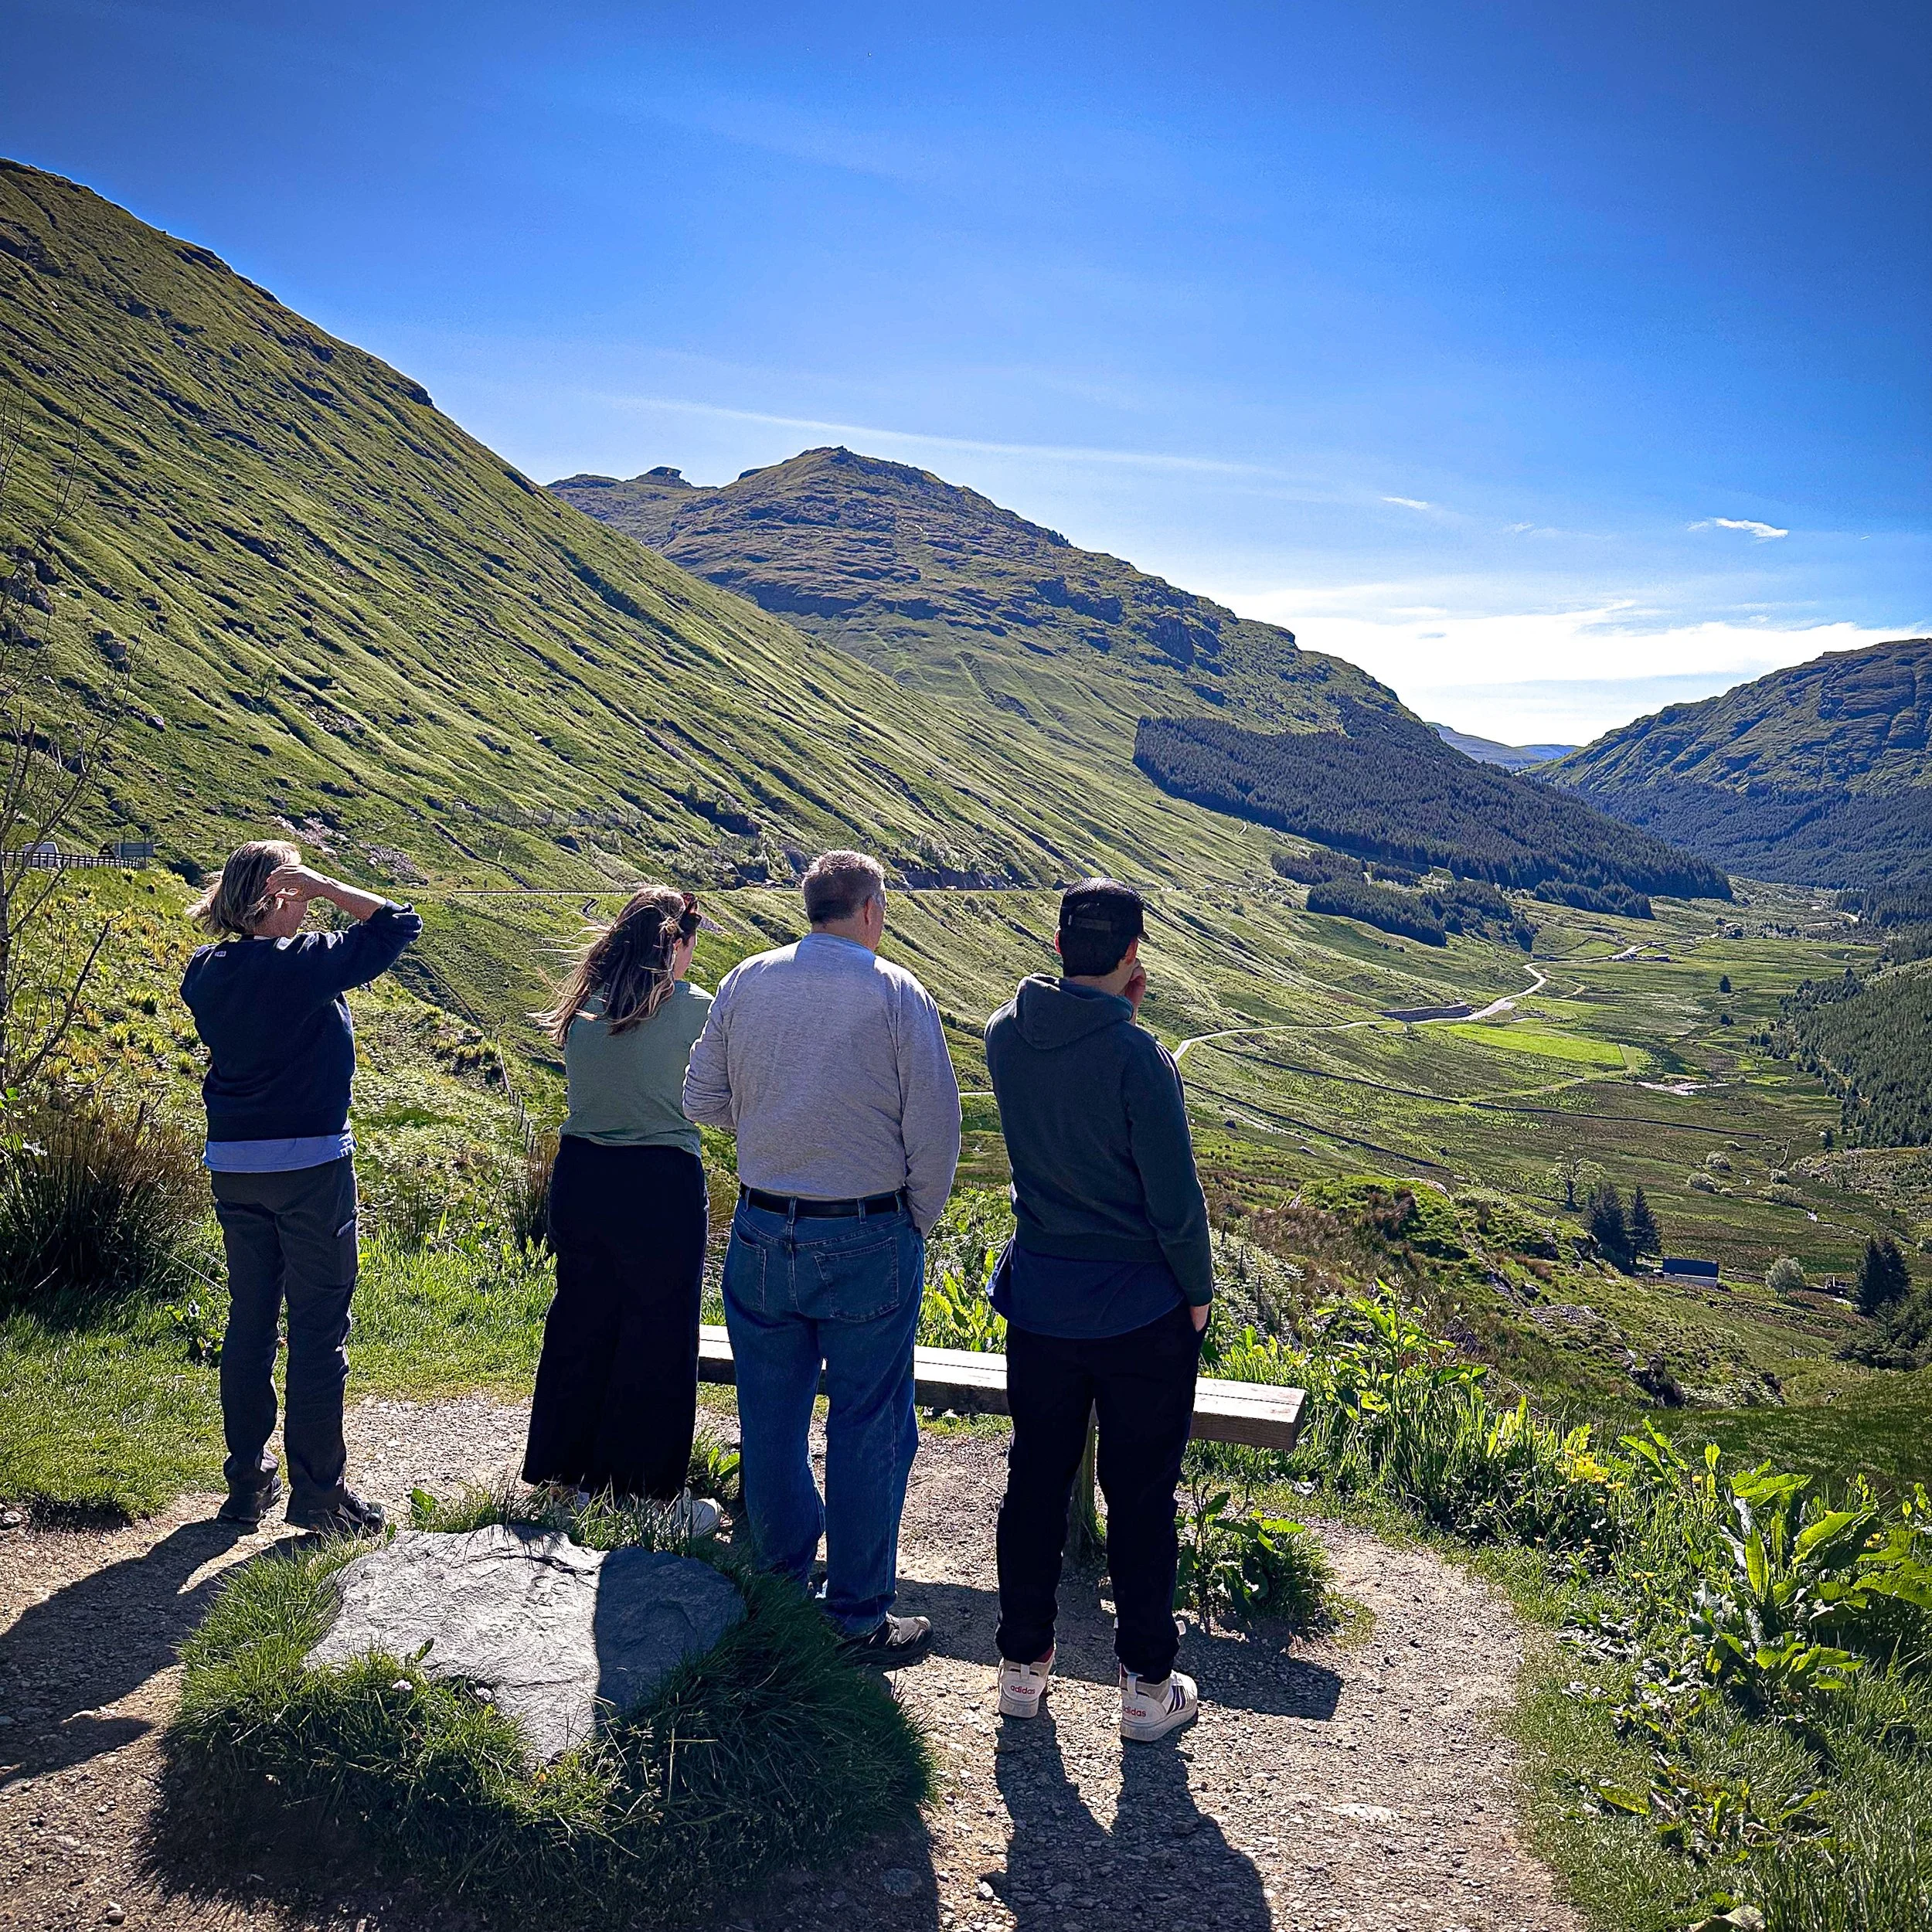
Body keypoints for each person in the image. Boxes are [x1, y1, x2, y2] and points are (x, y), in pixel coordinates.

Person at [683, 850, 961, 1663]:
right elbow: (936, 1130)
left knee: (770, 1416)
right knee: (869, 1421)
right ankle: (857, 1616)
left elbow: (700, 1098)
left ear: (811, 907)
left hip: (762, 1227)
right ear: (870, 910)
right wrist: (914, 1219)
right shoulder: (896, 992)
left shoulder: (746, 979)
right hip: (868, 1232)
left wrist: (773, 1132)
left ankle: (779, 1583)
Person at [983, 878, 1213, 1742]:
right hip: (1138, 1312)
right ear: (1131, 955)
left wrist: (1114, 1004)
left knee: (1034, 1480)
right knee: (1142, 1496)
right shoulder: (1138, 1058)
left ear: (1056, 946)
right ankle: (1147, 1687)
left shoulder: (1005, 1035)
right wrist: (1197, 1294)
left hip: (1041, 1302)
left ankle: (1021, 1668)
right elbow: (1174, 1202)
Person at [180, 841, 422, 1535]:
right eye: (297, 892)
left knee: (251, 1319)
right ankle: (319, 1494)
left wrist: (297, 897)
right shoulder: (306, 963)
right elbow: (397, 924)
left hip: (234, 1165)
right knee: (317, 1329)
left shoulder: (205, 970)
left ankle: (246, 1481)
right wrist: (326, 885)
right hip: (311, 1169)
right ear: (278, 895)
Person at [522, 886, 720, 1534]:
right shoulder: (696, 1009)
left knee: (581, 1321)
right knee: (659, 1331)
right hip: (660, 1179)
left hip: (582, 1173)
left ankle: (564, 1478)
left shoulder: (585, 1005)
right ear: (677, 942)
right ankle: (647, 1494)